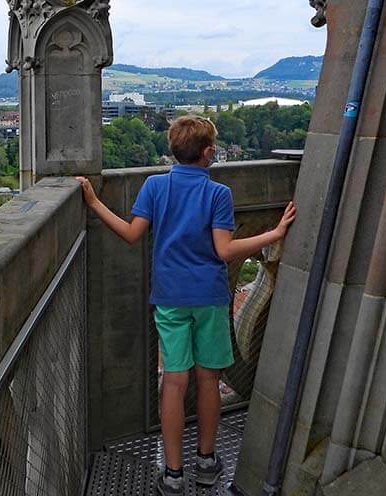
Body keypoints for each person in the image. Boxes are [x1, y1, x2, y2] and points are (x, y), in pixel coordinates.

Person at [77, 115, 295, 494]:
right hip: (209, 297)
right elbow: (225, 250)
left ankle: (173, 474)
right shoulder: (218, 194)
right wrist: (272, 233)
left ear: (174, 150)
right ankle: (207, 463)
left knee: (174, 382)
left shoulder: (155, 186)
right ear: (208, 152)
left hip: (171, 297)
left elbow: (131, 234)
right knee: (208, 380)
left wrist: (95, 202)